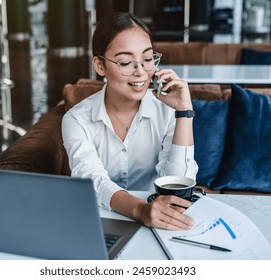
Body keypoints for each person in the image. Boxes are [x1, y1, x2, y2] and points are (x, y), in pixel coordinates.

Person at [62, 12, 198, 230]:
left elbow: (178, 188)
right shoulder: (76, 119)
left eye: (147, 59)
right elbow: (91, 180)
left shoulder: (167, 111)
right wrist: (140, 210)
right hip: (99, 219)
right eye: (126, 62)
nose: (141, 72)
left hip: (159, 219)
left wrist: (184, 112)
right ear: (99, 66)